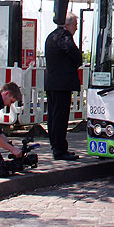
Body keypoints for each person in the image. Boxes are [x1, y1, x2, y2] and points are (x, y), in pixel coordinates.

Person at [44, 12, 83, 161]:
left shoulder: (51, 36)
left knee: (53, 117)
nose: (76, 28)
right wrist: (77, 61)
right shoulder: (64, 36)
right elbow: (74, 54)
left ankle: (56, 146)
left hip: (52, 82)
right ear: (67, 25)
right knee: (60, 117)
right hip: (62, 83)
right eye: (75, 25)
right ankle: (60, 149)